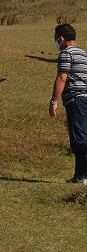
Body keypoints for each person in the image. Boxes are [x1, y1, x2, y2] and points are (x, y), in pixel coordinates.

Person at [50, 23, 87, 184]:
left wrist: (54, 101)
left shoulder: (66, 54)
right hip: (85, 98)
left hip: (76, 99)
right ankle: (79, 175)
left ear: (61, 38)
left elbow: (62, 78)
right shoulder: (84, 54)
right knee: (82, 135)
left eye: (56, 39)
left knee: (79, 138)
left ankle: (82, 175)